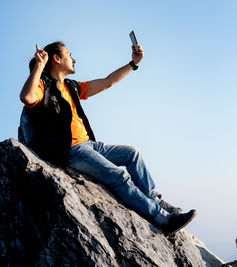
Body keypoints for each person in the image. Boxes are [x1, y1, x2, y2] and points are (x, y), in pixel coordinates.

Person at [18, 41, 197, 236]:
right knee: (118, 176)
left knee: (132, 153)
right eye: (69, 54)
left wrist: (133, 63)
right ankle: (163, 219)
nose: (74, 59)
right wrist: (39, 66)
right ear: (57, 59)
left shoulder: (72, 87)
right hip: (72, 150)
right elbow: (27, 97)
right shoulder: (43, 87)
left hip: (91, 145)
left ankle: (154, 199)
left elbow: (107, 81)